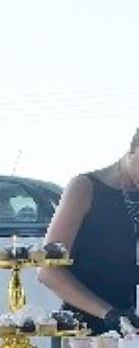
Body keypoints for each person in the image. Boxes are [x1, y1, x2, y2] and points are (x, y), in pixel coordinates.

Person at [38, 132, 139, 333]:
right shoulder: (84, 187)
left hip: (132, 330)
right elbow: (48, 270)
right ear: (133, 149)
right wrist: (110, 314)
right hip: (83, 331)